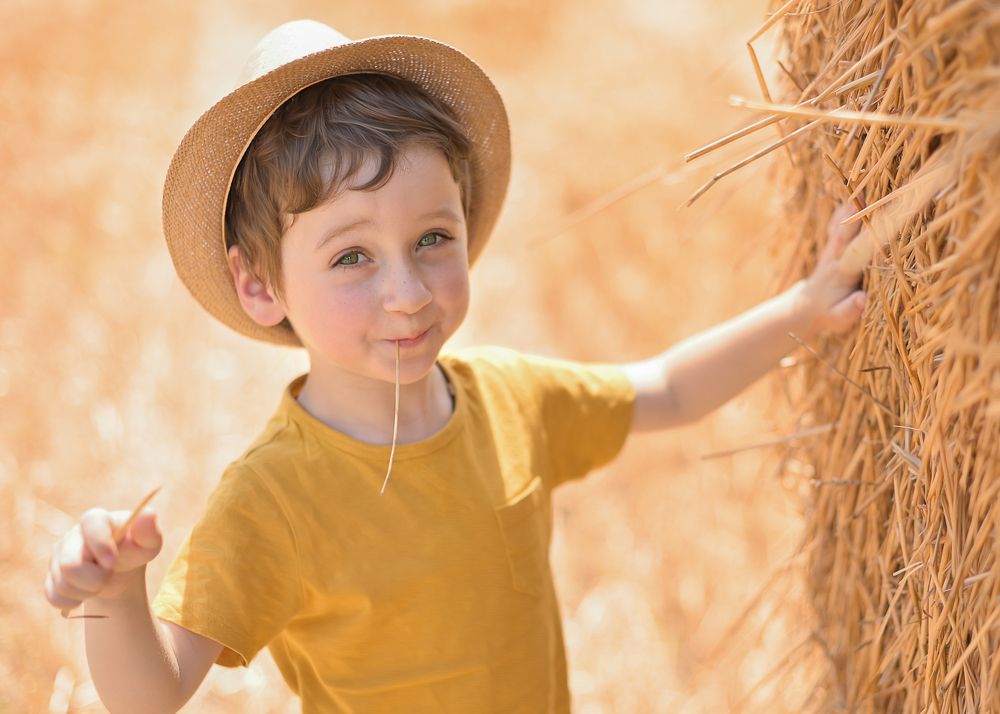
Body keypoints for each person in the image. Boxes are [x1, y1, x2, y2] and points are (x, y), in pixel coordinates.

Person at [42, 19, 868, 714]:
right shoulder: (273, 500)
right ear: (260, 285)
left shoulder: (511, 400)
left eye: (432, 239)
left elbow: (668, 391)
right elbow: (151, 696)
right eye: (352, 256)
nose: (407, 293)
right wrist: (116, 595)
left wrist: (802, 309)